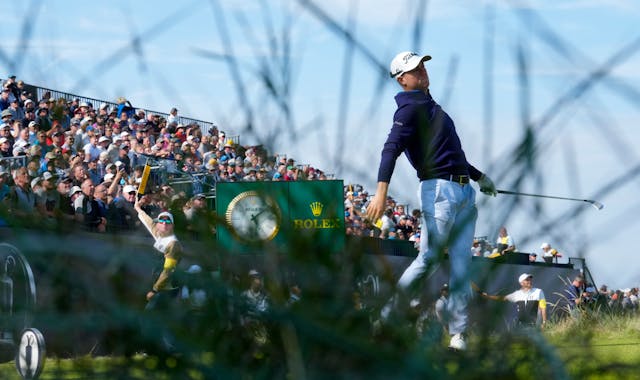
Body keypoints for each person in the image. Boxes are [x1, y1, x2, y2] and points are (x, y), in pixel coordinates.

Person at [366, 51, 497, 351]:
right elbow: (390, 149)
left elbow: (451, 154)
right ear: (402, 80)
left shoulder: (430, 104)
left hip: (464, 191)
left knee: (463, 265)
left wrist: (479, 177)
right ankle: (386, 317)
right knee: (429, 258)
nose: (422, 71)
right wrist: (381, 192)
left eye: (422, 65)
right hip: (439, 191)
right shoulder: (408, 110)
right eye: (414, 69)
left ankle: (458, 334)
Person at [480, 273, 547, 329]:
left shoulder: (539, 291)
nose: (530, 281)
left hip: (535, 327)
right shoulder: (516, 294)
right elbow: (503, 298)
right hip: (521, 327)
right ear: (521, 283)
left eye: (530, 279)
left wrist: (544, 322)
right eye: (527, 280)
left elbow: (543, 308)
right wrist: (488, 296)